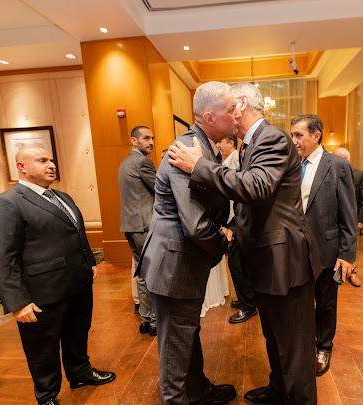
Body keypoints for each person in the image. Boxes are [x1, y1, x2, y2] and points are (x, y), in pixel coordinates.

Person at [168, 82, 320, 405]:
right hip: (266, 261)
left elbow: (256, 188)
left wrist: (199, 166)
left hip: (285, 262)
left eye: (229, 106)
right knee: (274, 336)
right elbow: (252, 205)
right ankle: (279, 390)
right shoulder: (250, 144)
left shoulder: (272, 138)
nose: (228, 115)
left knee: (294, 347)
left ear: (240, 104)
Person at [0, 147, 115, 405]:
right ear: (21, 167)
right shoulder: (5, 203)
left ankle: (80, 373)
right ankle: (47, 396)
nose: (51, 165)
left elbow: (76, 233)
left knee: (77, 333)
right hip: (42, 293)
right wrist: (17, 303)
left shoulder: (62, 197)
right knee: (43, 349)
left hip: (77, 284)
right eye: (42, 160)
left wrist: (89, 263)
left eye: (52, 159)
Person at [138, 81, 237, 405]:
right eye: (230, 110)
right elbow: (195, 225)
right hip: (174, 267)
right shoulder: (186, 151)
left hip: (180, 263)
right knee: (174, 351)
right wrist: (223, 242)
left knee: (186, 335)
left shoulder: (202, 148)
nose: (236, 115)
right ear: (209, 117)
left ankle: (198, 391)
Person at [290, 115, 357, 377]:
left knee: (326, 302)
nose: (294, 140)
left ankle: (324, 346)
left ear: (316, 136)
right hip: (296, 249)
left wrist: (347, 255)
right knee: (301, 301)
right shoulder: (291, 164)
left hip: (327, 250)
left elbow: (348, 213)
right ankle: (306, 343)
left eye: (298, 135)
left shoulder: (337, 165)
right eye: (292, 135)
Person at [118, 125, 157, 335]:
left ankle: (145, 319)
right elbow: (161, 188)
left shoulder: (124, 163)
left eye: (152, 138)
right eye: (146, 138)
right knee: (153, 273)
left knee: (142, 273)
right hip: (144, 226)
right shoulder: (143, 162)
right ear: (134, 141)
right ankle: (155, 322)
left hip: (130, 226)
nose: (151, 142)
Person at [216, 135, 257, 323]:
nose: (218, 145)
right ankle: (246, 299)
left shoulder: (235, 161)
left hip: (238, 221)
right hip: (237, 220)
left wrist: (231, 225)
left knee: (237, 264)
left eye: (221, 142)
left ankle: (248, 305)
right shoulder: (232, 160)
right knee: (238, 264)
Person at [333, 147, 363, 287]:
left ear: (347, 159)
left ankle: (353, 273)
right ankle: (339, 273)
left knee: (352, 246)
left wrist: (361, 220)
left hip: (352, 219)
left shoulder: (359, 174)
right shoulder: (330, 172)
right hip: (334, 219)